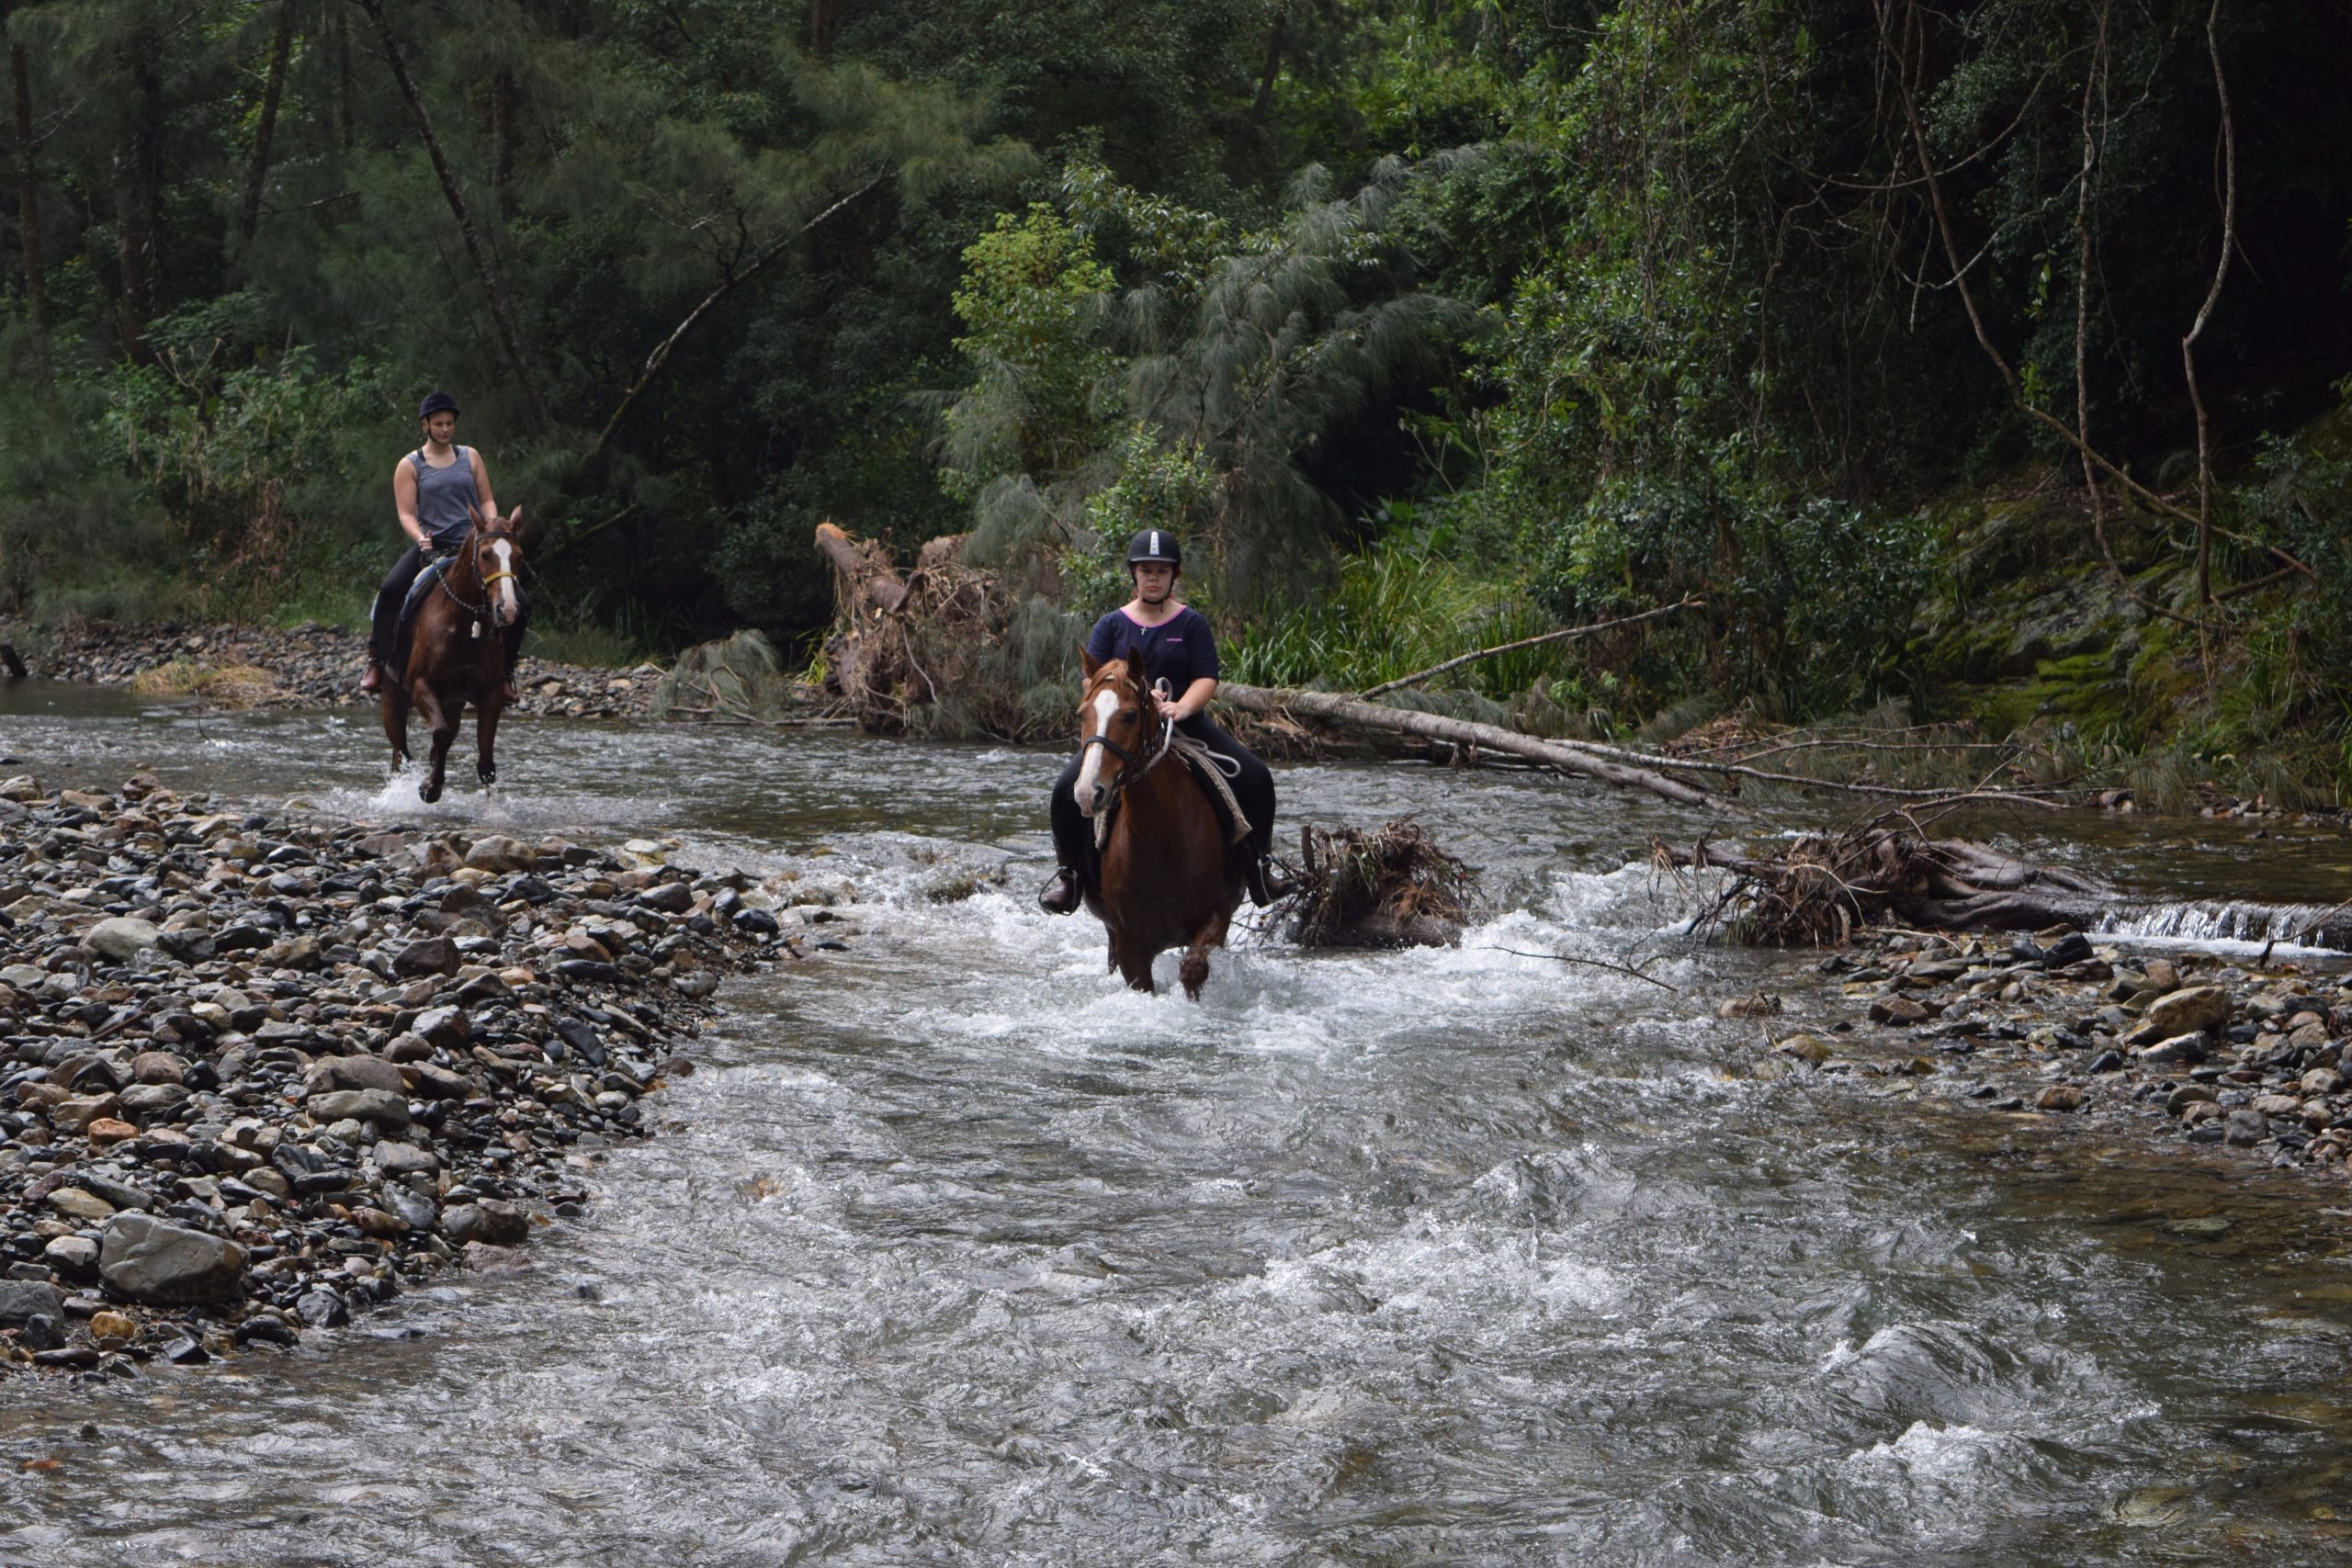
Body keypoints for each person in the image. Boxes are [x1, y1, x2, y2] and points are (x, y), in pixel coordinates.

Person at [1040, 529, 1295, 916]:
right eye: (1146, 570)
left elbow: (1207, 677)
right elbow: (1091, 682)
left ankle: (1258, 870)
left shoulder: (1191, 624)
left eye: (1161, 571)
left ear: (1174, 575)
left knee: (1256, 776)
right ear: (1134, 574)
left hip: (1183, 730)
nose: (1153, 577)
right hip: (1124, 733)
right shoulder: (1111, 624)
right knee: (1064, 790)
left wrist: (1180, 707)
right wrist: (1137, 695)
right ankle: (1070, 878)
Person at [360, 391, 525, 699]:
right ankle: (376, 662)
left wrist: (493, 529)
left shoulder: (470, 457)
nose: (445, 429)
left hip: (475, 543)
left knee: (521, 602)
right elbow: (406, 512)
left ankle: (505, 673)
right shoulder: (410, 465)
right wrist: (418, 536)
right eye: (438, 424)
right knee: (391, 591)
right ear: (425, 425)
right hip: (433, 546)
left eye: (449, 423)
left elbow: (486, 499)